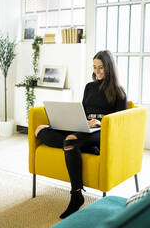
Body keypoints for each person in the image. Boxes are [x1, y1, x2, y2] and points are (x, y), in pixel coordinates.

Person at [35, 50, 127, 219]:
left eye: (101, 68)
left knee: (70, 141)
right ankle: (84, 147)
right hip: (84, 128)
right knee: (41, 130)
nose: (97, 71)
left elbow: (121, 121)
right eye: (94, 67)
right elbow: (82, 111)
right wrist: (63, 123)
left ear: (109, 68)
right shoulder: (89, 87)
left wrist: (100, 122)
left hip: (102, 131)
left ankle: (76, 195)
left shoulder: (118, 91)